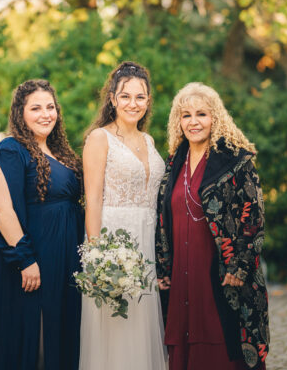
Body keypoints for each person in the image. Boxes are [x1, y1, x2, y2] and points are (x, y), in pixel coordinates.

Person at [155, 82, 269, 370]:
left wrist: (239, 266)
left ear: (215, 117)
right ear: (178, 121)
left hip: (222, 274)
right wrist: (163, 267)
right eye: (186, 115)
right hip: (181, 275)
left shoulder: (236, 160)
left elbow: (253, 218)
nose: (193, 122)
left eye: (201, 114)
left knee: (220, 343)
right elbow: (163, 219)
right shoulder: (174, 162)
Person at [0, 79, 84, 370]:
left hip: (63, 259)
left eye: (50, 107)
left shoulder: (61, 152)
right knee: (32, 339)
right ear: (20, 113)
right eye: (35, 108)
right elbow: (1, 209)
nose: (45, 114)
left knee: (58, 335)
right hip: (30, 259)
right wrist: (25, 259)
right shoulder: (10, 150)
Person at [80, 61, 168, 370]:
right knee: (117, 327)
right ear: (112, 99)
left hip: (146, 245)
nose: (133, 103)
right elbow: (92, 200)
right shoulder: (99, 138)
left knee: (143, 324)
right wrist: (96, 256)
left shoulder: (149, 140)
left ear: (148, 100)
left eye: (140, 97)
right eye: (125, 96)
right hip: (113, 244)